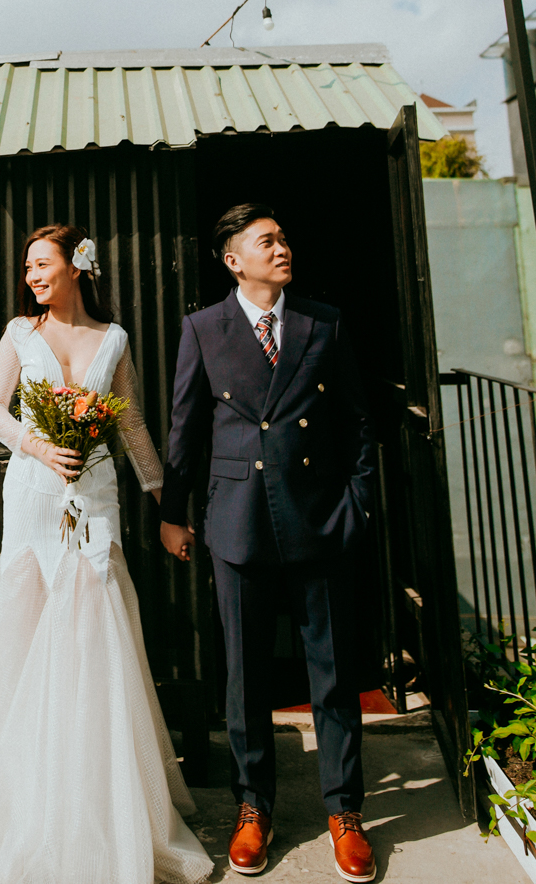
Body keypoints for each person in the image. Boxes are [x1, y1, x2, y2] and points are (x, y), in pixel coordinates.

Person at [0, 222, 212, 884]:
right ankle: (18, 781)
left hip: (95, 495)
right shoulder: (19, 334)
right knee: (26, 623)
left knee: (94, 619)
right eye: (27, 267)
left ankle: (95, 786)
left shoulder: (114, 340)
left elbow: (132, 424)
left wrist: (166, 506)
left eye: (42, 264)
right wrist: (36, 445)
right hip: (34, 493)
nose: (31, 276)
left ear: (77, 267)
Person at [159, 204, 376, 882]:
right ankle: (254, 807)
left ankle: (345, 812)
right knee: (245, 675)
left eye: (283, 238)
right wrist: (173, 513)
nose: (282, 248)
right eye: (267, 241)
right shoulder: (204, 328)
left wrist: (358, 505)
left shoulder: (321, 322)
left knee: (332, 674)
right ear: (234, 260)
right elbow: (185, 427)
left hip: (319, 519)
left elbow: (357, 423)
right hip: (237, 521)